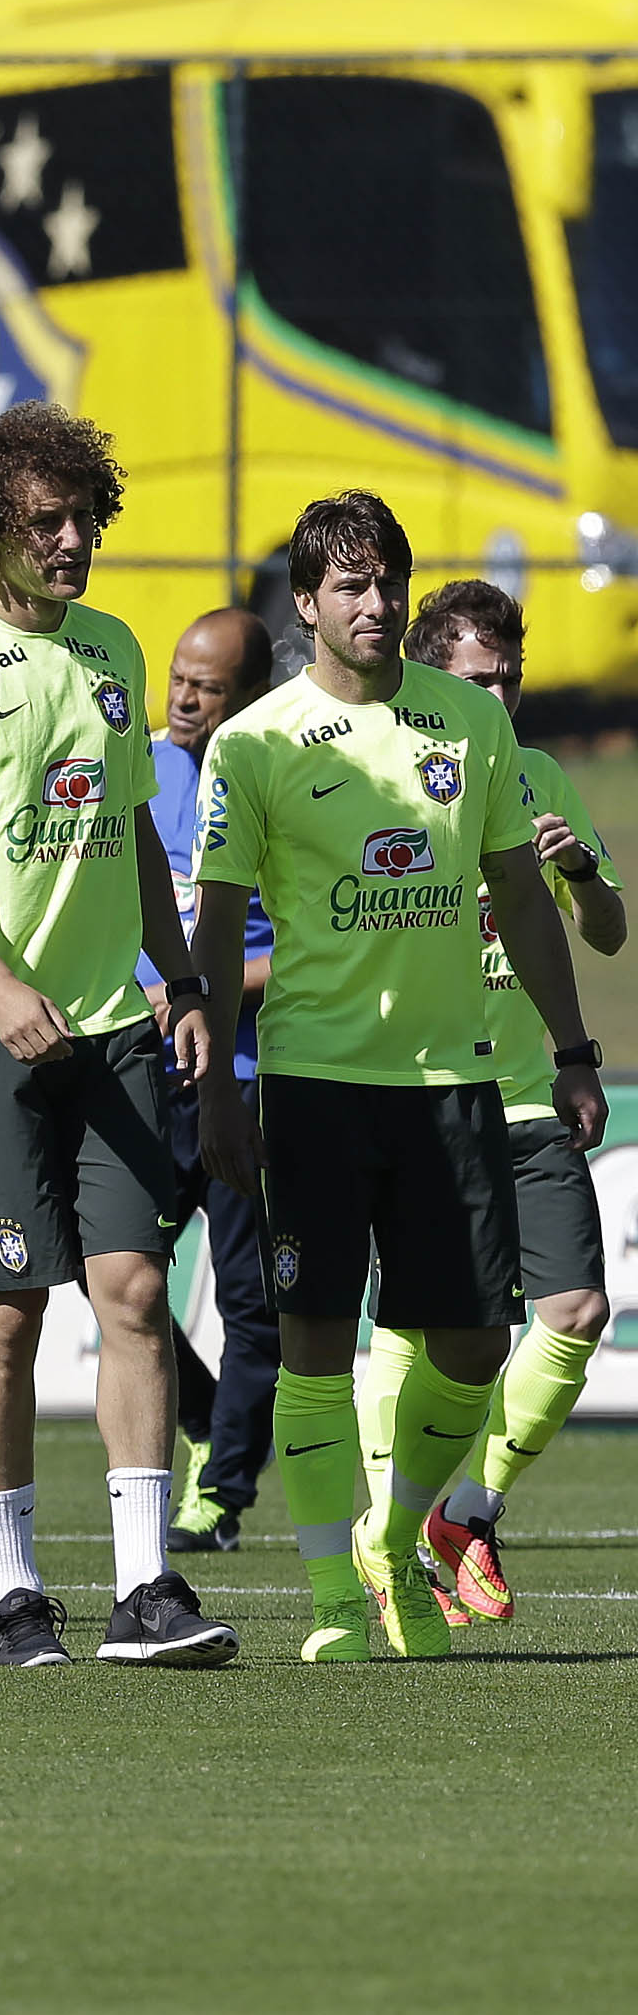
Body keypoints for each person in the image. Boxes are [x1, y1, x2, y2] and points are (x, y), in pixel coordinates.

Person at [195, 492, 601, 1661]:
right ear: (308, 603)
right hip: (316, 1084)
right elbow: (218, 925)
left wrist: (570, 1052)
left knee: (474, 1341)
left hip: (453, 1085)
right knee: (316, 1341)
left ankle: (401, 1530)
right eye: (351, 588)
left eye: (388, 584)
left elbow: (524, 899)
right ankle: (334, 1600)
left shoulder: (467, 725)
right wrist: (222, 1081)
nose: (375, 605)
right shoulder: (257, 742)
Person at [0, 404, 231, 1670]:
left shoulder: (113, 652)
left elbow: (135, 829)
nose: (76, 539)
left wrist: (180, 982)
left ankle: (148, 1588)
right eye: (48, 521)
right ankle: (16, 1594)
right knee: (7, 1312)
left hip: (113, 1033)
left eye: (85, 517)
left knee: (134, 1291)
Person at [376, 578, 619, 1625]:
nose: (500, 695)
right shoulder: (385, 770)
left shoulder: (539, 774)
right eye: (478, 678)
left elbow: (606, 933)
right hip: (420, 1093)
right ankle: (382, 1544)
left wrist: (581, 875)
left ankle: (463, 1512)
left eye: (510, 677)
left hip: (526, 1098)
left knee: (574, 1311)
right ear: (432, 675)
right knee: (419, 1331)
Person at [132, 607, 276, 1556]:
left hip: (249, 1078)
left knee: (248, 1301)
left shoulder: (281, 778)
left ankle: (219, 1496)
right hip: (147, 1073)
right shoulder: (134, 766)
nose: (184, 696)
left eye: (208, 684)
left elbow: (312, 950)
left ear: (250, 695)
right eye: (179, 676)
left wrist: (199, 992)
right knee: (118, 1276)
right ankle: (209, 1418)